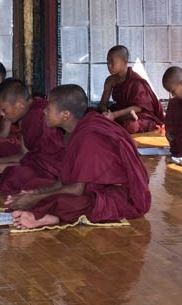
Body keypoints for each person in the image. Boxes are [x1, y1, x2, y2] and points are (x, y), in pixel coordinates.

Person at [9, 84, 152, 230]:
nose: (44, 111)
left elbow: (76, 190)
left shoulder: (90, 136)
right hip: (93, 189)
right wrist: (35, 193)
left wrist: (34, 199)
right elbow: (66, 179)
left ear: (66, 115)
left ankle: (46, 216)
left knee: (70, 203)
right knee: (36, 185)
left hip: (120, 197)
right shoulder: (73, 131)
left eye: (49, 108)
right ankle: (48, 213)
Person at [0, 79, 65, 194]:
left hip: (55, 173)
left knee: (16, 175)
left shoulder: (39, 116)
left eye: (3, 109)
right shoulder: (26, 116)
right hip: (38, 165)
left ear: (20, 104)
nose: (1, 114)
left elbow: (48, 165)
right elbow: (24, 154)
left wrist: (0, 168)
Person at [98, 45, 164, 134]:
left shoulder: (136, 81)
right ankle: (126, 117)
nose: (109, 65)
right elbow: (103, 103)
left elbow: (138, 108)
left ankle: (128, 118)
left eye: (112, 62)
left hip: (139, 114)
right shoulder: (110, 80)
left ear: (124, 61)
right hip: (120, 111)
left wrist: (114, 115)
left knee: (131, 126)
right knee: (91, 113)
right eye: (107, 62)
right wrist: (105, 113)